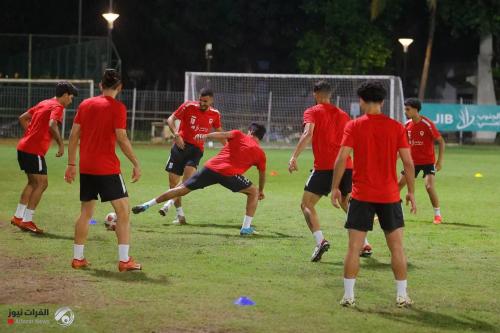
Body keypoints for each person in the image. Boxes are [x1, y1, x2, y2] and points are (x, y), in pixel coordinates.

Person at [331, 81, 417, 308]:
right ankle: (402, 295)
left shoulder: (354, 126)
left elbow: (341, 159)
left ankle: (348, 297)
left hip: (362, 195)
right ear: (382, 101)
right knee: (397, 247)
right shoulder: (397, 127)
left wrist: (334, 187)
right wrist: (411, 191)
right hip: (389, 196)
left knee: (353, 248)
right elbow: (408, 163)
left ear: (361, 100)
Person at [65, 69, 142, 272]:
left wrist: (71, 164)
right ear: (120, 87)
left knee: (85, 213)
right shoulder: (118, 108)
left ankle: (78, 258)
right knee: (123, 212)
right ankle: (124, 261)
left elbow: (73, 136)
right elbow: (122, 138)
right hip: (107, 168)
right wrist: (135, 162)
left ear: (100, 86)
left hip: (86, 167)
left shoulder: (85, 104)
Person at [132, 123, 267, 236]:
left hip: (210, 168)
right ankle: (246, 228)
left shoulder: (238, 134)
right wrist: (260, 190)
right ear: (260, 137)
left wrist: (206, 135)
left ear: (250, 131)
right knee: (253, 192)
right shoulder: (261, 154)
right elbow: (262, 175)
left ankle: (147, 204)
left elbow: (222, 135)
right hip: (228, 174)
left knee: (181, 189)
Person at [288, 80, 371, 262]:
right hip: (347, 165)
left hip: (325, 167)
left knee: (306, 204)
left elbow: (308, 133)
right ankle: (364, 243)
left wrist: (294, 156)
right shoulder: (343, 114)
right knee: (345, 202)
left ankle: (320, 241)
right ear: (330, 95)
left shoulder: (312, 111)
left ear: (315, 94)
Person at [11, 81, 78, 233]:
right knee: (42, 184)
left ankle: (18, 216)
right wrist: (61, 144)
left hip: (23, 147)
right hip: (34, 151)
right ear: (65, 95)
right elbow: (52, 124)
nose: (71, 100)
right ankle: (27, 220)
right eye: (71, 97)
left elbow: (22, 118)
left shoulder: (45, 102)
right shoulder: (58, 107)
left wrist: (31, 134)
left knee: (33, 183)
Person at [158, 88, 223, 225]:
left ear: (211, 100)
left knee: (187, 180)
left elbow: (219, 133)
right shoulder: (188, 106)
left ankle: (168, 204)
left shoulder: (215, 114)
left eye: (205, 101)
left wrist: (229, 147)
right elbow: (171, 119)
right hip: (180, 147)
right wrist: (176, 134)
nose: (202, 103)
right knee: (173, 183)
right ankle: (180, 216)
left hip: (196, 149)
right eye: (200, 100)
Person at [399, 98, 445, 224]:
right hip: (412, 163)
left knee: (429, 186)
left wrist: (440, 161)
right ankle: (395, 212)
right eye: (405, 109)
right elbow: (403, 145)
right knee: (396, 187)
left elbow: (441, 141)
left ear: (416, 110)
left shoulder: (427, 124)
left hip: (428, 162)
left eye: (407, 109)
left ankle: (437, 215)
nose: (405, 111)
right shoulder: (407, 125)